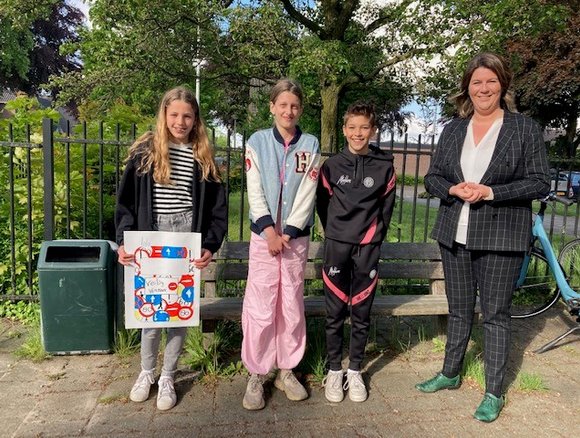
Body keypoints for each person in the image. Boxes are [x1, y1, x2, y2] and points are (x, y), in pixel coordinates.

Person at [415, 52, 550, 422]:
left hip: (501, 237)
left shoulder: (523, 128)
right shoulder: (453, 129)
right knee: (458, 310)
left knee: (495, 315)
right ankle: (450, 372)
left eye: (491, 81)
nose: (484, 88)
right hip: (454, 232)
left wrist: (491, 192)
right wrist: (453, 189)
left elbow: (540, 182)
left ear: (502, 85)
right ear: (467, 88)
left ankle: (493, 391)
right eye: (477, 82)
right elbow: (432, 178)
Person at [115, 86, 227, 411]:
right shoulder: (145, 153)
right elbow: (125, 204)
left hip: (185, 240)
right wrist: (125, 240)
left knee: (178, 314)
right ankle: (147, 371)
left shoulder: (203, 157)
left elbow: (218, 211)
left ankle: (168, 375)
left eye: (187, 116)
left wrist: (208, 244)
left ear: (196, 120)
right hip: (152, 237)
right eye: (174, 114)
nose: (180, 121)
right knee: (150, 313)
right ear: (164, 115)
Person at [241, 78, 321, 410]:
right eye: (283, 105)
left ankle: (286, 369)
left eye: (295, 106)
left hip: (294, 239)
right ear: (272, 106)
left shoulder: (311, 145)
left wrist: (287, 231)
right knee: (261, 304)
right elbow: (255, 189)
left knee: (290, 303)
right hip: (263, 239)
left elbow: (307, 193)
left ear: (300, 109)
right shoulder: (257, 142)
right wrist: (269, 232)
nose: (289, 111)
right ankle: (257, 373)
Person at [316, 103, 396, 403]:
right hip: (337, 246)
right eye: (352, 127)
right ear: (344, 129)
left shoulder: (385, 165)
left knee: (361, 312)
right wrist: (336, 233)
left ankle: (356, 370)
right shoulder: (331, 166)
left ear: (372, 129)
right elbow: (322, 205)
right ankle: (335, 370)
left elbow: (387, 208)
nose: (358, 133)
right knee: (335, 312)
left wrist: (373, 238)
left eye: (364, 127)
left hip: (368, 248)